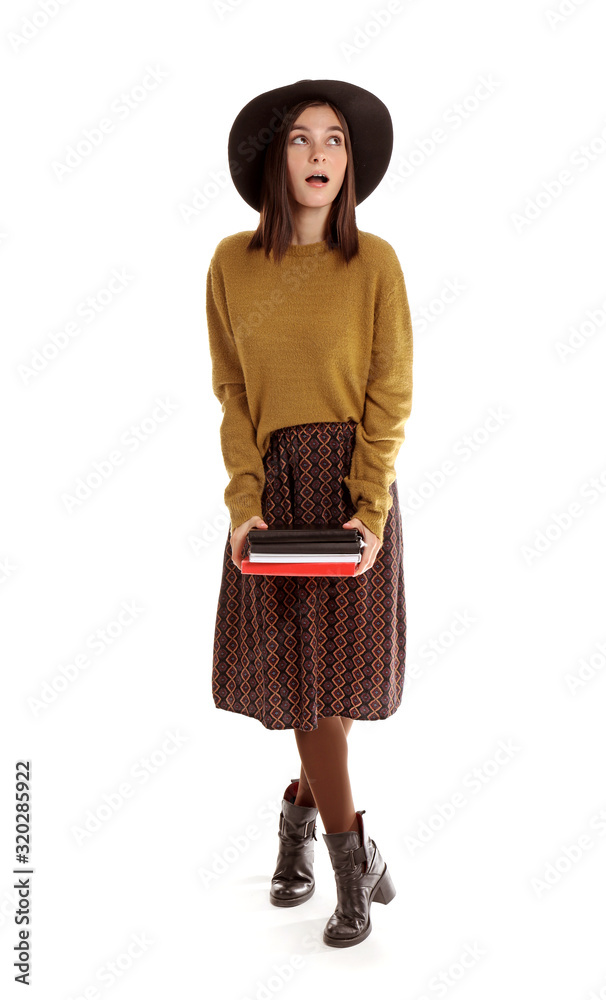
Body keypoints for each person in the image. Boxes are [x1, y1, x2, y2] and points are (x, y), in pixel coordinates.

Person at [206, 79, 414, 948]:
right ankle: (348, 861)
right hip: (276, 494)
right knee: (303, 687)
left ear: (351, 162)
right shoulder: (229, 263)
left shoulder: (376, 264)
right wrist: (244, 505)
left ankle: (302, 827)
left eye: (334, 140)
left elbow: (390, 393)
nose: (320, 153)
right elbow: (233, 396)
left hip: (351, 490)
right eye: (301, 139)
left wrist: (367, 505)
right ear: (272, 158)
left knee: (333, 688)